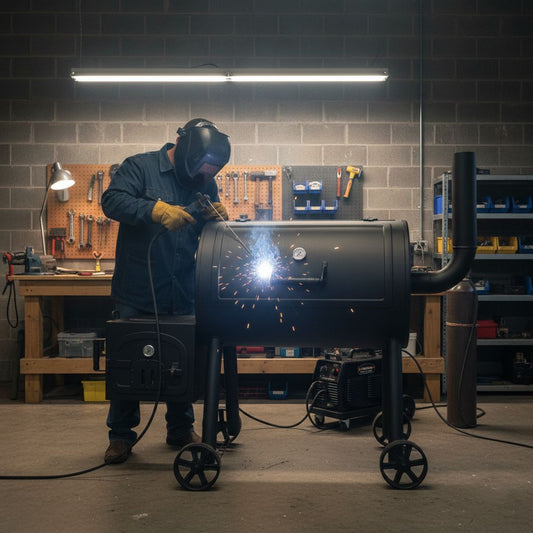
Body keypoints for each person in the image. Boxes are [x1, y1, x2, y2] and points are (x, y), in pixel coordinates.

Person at [101, 118, 231, 464]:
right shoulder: (139, 167)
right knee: (131, 361)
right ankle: (121, 436)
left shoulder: (204, 181)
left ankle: (179, 429)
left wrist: (216, 219)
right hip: (137, 290)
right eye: (204, 169)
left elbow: (205, 228)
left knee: (180, 362)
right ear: (187, 151)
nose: (206, 177)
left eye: (212, 172)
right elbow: (111, 202)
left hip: (183, 288)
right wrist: (154, 210)